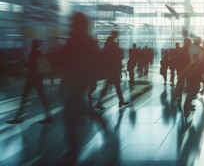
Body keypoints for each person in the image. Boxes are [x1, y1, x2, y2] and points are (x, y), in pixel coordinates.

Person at [52, 12, 108, 159]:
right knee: (80, 107)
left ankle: (74, 150)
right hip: (82, 79)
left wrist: (55, 55)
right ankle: (100, 121)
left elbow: (65, 56)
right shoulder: (87, 39)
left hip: (78, 79)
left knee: (68, 115)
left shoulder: (76, 39)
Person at [7, 39, 52, 124]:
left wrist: (23, 62)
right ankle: (48, 116)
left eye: (32, 44)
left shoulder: (34, 53)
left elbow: (30, 66)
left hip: (32, 79)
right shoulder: (38, 53)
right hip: (37, 78)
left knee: (25, 96)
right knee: (41, 97)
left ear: (34, 45)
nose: (31, 46)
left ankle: (19, 117)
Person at [95, 30, 129, 110]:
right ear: (114, 34)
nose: (117, 36)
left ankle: (120, 101)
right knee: (114, 86)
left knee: (113, 86)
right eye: (117, 34)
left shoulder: (110, 42)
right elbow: (113, 56)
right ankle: (120, 101)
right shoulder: (111, 43)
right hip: (113, 69)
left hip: (112, 69)